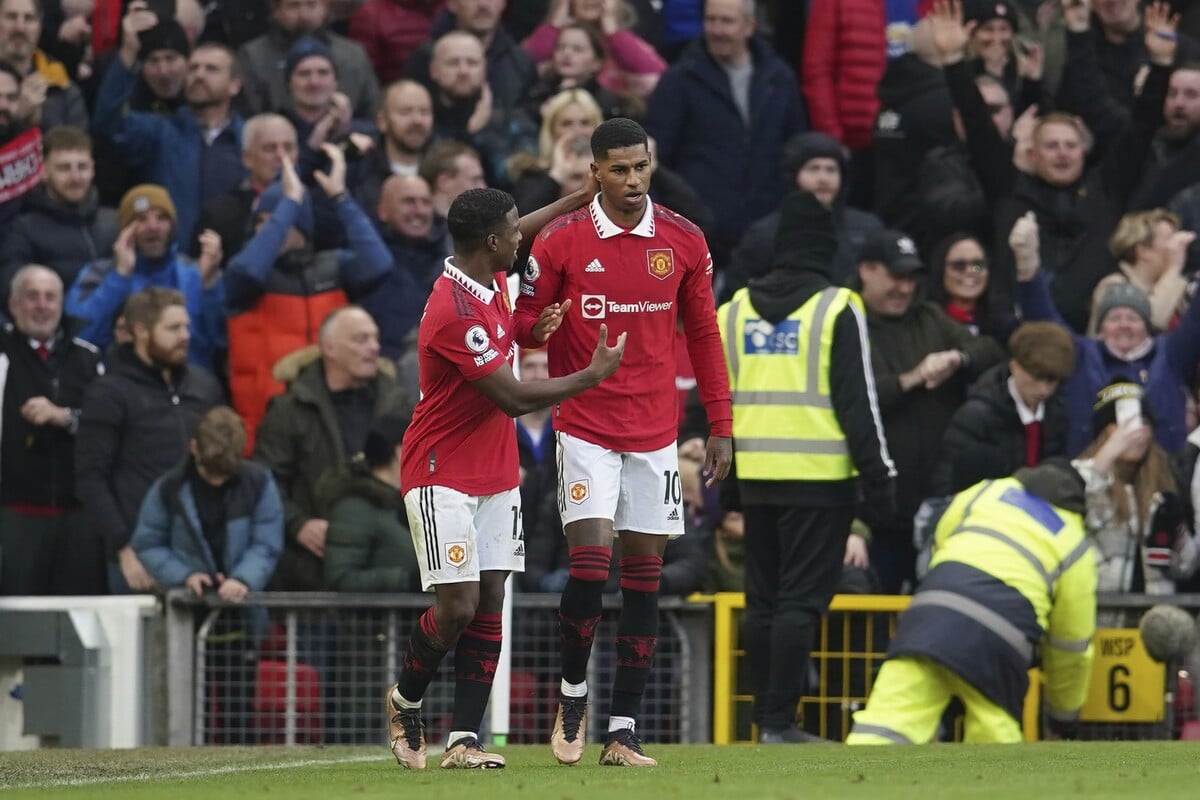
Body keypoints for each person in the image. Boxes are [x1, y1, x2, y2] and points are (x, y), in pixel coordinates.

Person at [513, 117, 733, 767]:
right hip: (583, 424)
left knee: (645, 581)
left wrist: (719, 424)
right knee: (589, 565)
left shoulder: (685, 240)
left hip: (657, 432)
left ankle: (623, 731)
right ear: (596, 173)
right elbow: (523, 322)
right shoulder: (562, 240)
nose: (633, 180)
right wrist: (539, 327)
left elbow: (704, 336)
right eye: (619, 169)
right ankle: (573, 694)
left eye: (641, 167)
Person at [385, 187, 626, 770]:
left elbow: (527, 226)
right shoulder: (454, 311)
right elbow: (515, 397)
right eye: (514, 231)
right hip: (441, 470)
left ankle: (464, 739)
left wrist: (586, 193)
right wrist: (590, 375)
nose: (525, 238)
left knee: (492, 601)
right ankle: (404, 699)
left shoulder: (489, 279)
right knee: (458, 608)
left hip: (496, 470)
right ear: (492, 243)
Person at [717, 192, 897, 743]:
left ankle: (761, 720)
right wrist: (881, 479)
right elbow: (857, 404)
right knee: (800, 602)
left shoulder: (734, 311)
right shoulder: (837, 307)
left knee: (763, 600)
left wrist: (728, 490)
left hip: (755, 484)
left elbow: (715, 403)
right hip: (821, 483)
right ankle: (777, 723)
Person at [846, 460, 1097, 744]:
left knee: (886, 722)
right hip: (999, 637)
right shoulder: (1074, 543)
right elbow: (1070, 645)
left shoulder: (986, 492)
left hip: (932, 612)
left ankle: (848, 782)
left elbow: (941, 536)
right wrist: (1064, 718)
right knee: (993, 738)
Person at [855, 229, 1005, 592]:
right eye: (894, 277)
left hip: (936, 501)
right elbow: (856, 397)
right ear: (866, 271)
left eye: (909, 279)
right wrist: (912, 378)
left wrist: (959, 357)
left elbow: (991, 352)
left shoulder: (929, 317)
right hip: (875, 508)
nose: (903, 288)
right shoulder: (847, 319)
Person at [130, 405, 283, 743]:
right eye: (211, 472)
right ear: (193, 447)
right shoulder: (169, 489)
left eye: (224, 473)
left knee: (237, 715)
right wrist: (184, 575)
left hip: (241, 623)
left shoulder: (258, 483)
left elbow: (267, 542)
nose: (216, 480)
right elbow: (148, 542)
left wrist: (242, 579)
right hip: (185, 622)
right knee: (183, 712)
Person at [225, 144, 391, 446]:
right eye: (262, 223)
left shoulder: (332, 267)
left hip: (332, 427)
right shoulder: (246, 277)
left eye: (276, 222)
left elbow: (379, 264)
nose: (269, 231)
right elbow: (247, 272)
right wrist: (289, 203)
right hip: (264, 430)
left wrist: (340, 198)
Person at [1011, 211, 1200, 455]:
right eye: (1114, 318)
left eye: (1132, 318)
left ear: (1147, 327)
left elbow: (1195, 322)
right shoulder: (1082, 354)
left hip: (1163, 478)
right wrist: (1027, 267)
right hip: (1092, 477)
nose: (1123, 325)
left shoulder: (1170, 354)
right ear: (1100, 327)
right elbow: (1043, 322)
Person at [75, 286, 223, 594]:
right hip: (139, 554)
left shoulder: (204, 386)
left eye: (186, 326)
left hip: (202, 549)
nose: (185, 335)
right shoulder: (110, 392)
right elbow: (91, 478)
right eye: (173, 328)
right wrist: (123, 548)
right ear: (141, 331)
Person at [252, 306, 410, 592]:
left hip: (384, 571)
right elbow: (265, 482)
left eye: (375, 339)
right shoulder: (290, 410)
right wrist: (297, 524)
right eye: (360, 340)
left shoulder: (398, 405)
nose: (374, 348)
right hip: (311, 570)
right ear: (330, 348)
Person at [643, 0, 805, 265]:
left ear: (749, 26)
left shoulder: (778, 77)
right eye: (711, 20)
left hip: (766, 228)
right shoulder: (679, 79)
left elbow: (795, 145)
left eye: (726, 21)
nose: (716, 30)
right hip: (701, 229)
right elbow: (659, 155)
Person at [93, 3, 247, 249]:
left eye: (211, 69)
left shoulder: (248, 138)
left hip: (232, 267)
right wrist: (128, 55)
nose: (199, 75)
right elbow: (109, 122)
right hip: (173, 263)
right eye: (194, 68)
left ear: (234, 85)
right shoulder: (162, 131)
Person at [0, 265, 105, 596]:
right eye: (32, 296)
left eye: (50, 297)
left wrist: (65, 416)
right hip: (14, 516)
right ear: (14, 304)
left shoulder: (89, 359)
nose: (42, 306)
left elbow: (107, 426)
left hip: (78, 517)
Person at [1072, 382, 1197, 625]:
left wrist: (1177, 536)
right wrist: (1108, 454)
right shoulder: (1083, 477)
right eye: (1121, 424)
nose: (1134, 432)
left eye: (1142, 423)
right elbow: (1081, 495)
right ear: (1104, 432)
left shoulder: (1167, 482)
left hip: (1154, 629)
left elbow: (1186, 567)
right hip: (1100, 622)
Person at [66, 183, 226, 369]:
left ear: (172, 226)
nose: (153, 227)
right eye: (141, 219)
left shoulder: (195, 272)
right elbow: (80, 338)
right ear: (125, 229)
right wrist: (119, 277)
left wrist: (208, 285)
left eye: (161, 218)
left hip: (188, 388)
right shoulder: (99, 274)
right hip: (124, 387)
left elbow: (217, 342)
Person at [930, 321, 1076, 498]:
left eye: (1052, 381)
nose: (1044, 390)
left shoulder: (1056, 413)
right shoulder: (977, 415)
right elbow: (946, 483)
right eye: (1036, 378)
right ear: (1014, 367)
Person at [0, 125, 118, 293]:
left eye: (82, 167)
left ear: (93, 169)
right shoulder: (23, 230)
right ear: (44, 171)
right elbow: (12, 292)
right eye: (64, 168)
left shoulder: (115, 222)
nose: (75, 177)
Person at [317, 413, 420, 592]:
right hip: (380, 619)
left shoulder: (411, 503)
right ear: (400, 450)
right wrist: (407, 580)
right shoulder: (355, 509)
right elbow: (340, 578)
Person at [237, 0, 379, 118]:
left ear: (325, 8)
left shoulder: (352, 55)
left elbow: (371, 110)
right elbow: (248, 114)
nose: (303, 15)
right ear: (276, 11)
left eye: (311, 5)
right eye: (293, 6)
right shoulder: (254, 56)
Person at [1086, 209, 1193, 336]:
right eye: (1170, 240)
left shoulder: (1174, 286)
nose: (1177, 247)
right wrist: (1174, 268)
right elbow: (1151, 322)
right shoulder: (1113, 286)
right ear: (1143, 251)